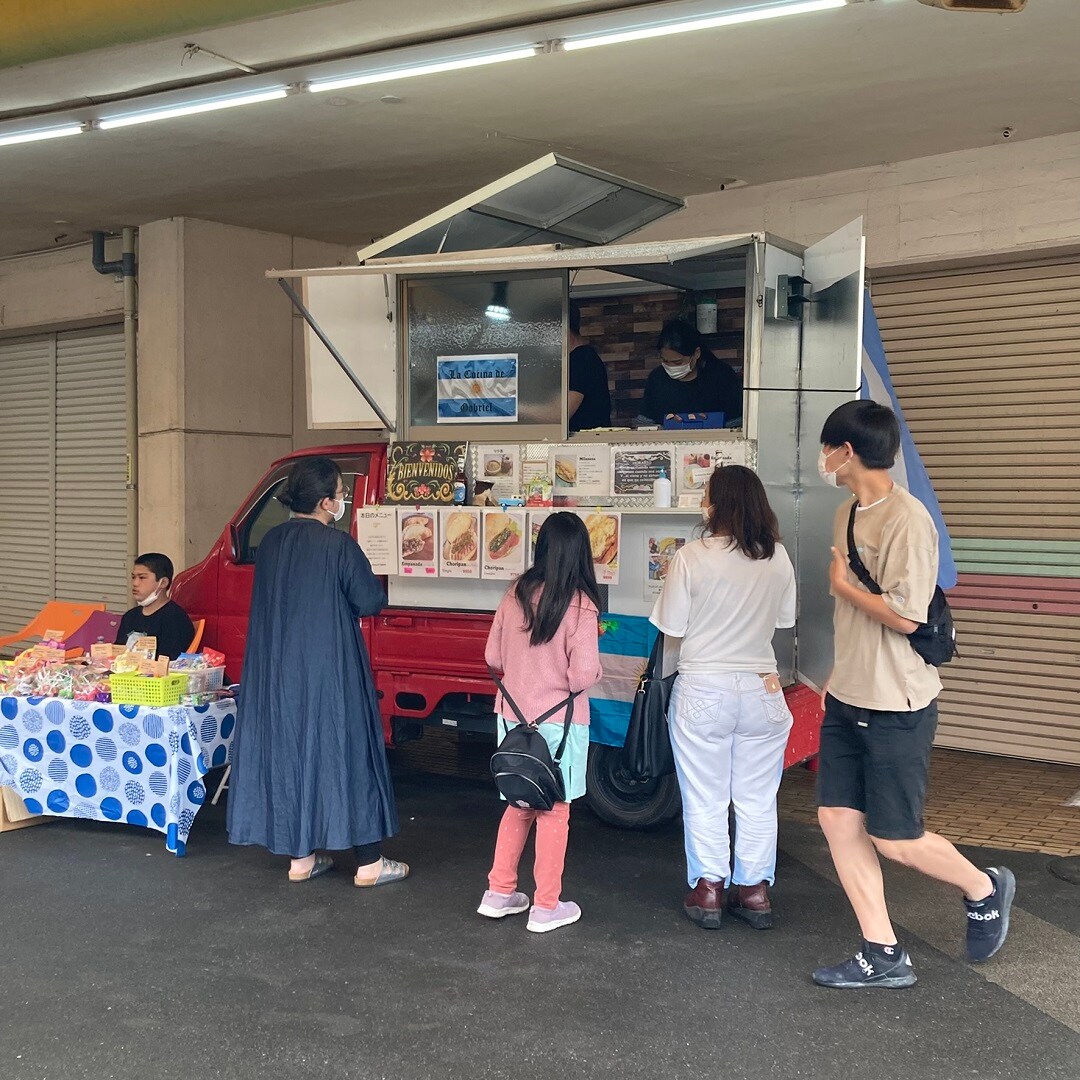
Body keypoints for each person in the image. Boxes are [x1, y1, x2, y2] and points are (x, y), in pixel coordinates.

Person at [813, 400, 1014, 989]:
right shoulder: (847, 512)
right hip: (848, 695)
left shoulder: (908, 519)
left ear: (846, 452)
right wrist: (835, 673)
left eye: (827, 447)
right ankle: (883, 951)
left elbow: (905, 615)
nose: (822, 458)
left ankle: (983, 887)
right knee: (835, 819)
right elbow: (851, 613)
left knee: (894, 837)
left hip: (897, 703)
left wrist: (841, 588)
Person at [226, 456, 406, 887]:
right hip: (331, 666)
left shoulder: (270, 542)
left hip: (278, 669)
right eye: (341, 494)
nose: (343, 500)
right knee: (349, 749)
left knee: (292, 751)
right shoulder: (338, 545)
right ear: (326, 502)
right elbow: (367, 601)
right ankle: (369, 862)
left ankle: (301, 858)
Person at [651, 465, 796, 931]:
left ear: (719, 504)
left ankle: (709, 888)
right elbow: (785, 622)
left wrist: (660, 684)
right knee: (757, 798)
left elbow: (672, 632)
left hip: (704, 688)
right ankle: (754, 892)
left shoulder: (691, 557)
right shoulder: (778, 558)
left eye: (706, 495)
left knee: (705, 797)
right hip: (762, 689)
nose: (702, 503)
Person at [478, 512, 603, 933]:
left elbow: (492, 658)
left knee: (519, 802)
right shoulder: (582, 604)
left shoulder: (515, 593)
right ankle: (546, 906)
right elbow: (583, 675)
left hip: (511, 720)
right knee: (555, 811)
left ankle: (499, 893)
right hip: (560, 726)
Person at [640, 318, 742, 427]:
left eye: (677, 362)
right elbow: (645, 423)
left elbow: (737, 423)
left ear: (696, 353)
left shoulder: (721, 376)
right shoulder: (656, 379)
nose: (670, 366)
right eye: (665, 361)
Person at [115, 553, 195, 661]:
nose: (135, 583)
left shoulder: (175, 618)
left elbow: (169, 662)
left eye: (142, 577)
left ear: (163, 582)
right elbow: (118, 654)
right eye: (133, 577)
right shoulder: (130, 616)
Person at [567, 301, 612, 432]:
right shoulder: (584, 357)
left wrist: (519, 409)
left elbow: (560, 414)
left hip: (586, 446)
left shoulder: (581, 359)